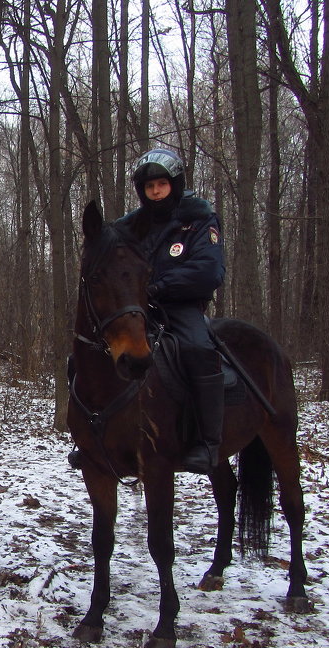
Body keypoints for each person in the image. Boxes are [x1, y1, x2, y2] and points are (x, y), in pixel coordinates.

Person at [70, 148, 225, 474]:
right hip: (137, 307)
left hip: (181, 307)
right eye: (149, 186)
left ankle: (208, 441)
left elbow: (208, 270)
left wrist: (160, 286)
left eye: (161, 184)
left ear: (174, 185)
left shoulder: (198, 220)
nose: (155, 191)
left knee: (198, 348)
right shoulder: (130, 225)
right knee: (84, 354)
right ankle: (88, 438)